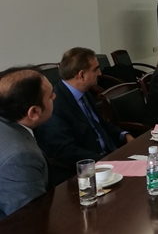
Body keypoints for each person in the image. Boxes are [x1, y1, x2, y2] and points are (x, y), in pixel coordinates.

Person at [34, 48, 134, 181]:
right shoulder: (55, 105)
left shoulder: (84, 92)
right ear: (81, 75)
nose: (99, 73)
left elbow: (100, 124)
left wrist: (124, 135)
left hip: (111, 158)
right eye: (96, 69)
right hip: (88, 171)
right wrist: (107, 162)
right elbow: (66, 151)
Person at [0, 68, 54, 219]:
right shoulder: (21, 157)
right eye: (50, 96)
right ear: (34, 112)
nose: (55, 96)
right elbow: (31, 221)